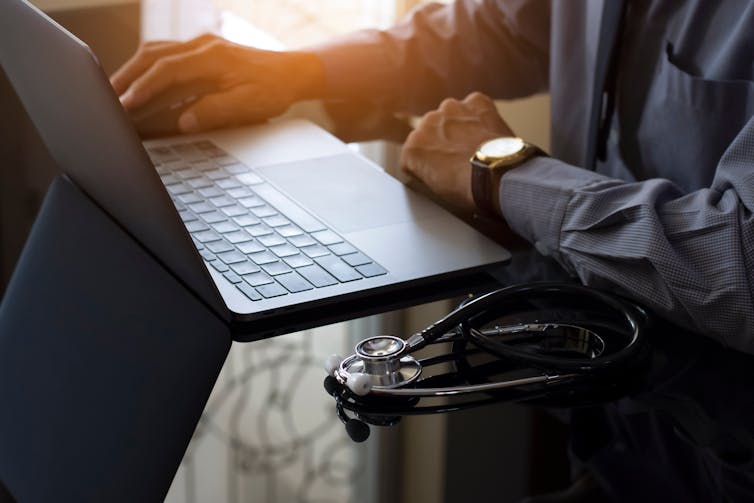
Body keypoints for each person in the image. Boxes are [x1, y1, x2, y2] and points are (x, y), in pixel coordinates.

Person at [111, 0, 754, 353]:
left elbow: (740, 268)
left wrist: (498, 169)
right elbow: (507, 32)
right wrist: (302, 70)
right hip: (606, 377)